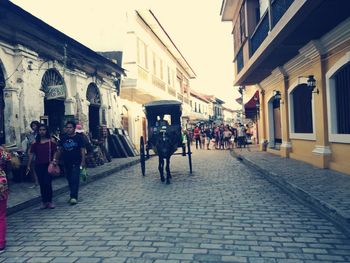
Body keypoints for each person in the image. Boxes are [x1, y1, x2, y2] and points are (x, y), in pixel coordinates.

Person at [55, 121, 86, 205]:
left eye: (70, 127)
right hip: (66, 161)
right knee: (69, 178)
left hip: (76, 161)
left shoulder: (79, 138)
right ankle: (72, 194)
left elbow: (82, 150)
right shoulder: (63, 138)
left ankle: (73, 197)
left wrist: (83, 161)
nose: (68, 129)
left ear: (74, 128)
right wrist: (56, 160)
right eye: (67, 127)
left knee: (75, 178)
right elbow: (60, 149)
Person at [27, 124, 57, 209]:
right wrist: (29, 165)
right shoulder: (35, 143)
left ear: (46, 131)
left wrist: (54, 160)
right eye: (40, 130)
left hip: (48, 165)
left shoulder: (51, 142)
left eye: (44, 129)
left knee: (47, 183)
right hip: (38, 165)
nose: (42, 131)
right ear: (38, 131)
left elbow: (55, 152)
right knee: (42, 184)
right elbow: (31, 154)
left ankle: (50, 201)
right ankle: (44, 202)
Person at [0, 147, 10, 254]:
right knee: (1, 216)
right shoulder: (2, 150)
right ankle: (1, 243)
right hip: (1, 184)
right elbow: (11, 160)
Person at [27, 120, 40, 188]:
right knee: (33, 167)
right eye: (32, 126)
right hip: (32, 152)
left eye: (34, 126)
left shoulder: (40, 134)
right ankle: (36, 182)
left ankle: (39, 181)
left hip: (39, 152)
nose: (33, 127)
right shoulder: (31, 134)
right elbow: (30, 143)